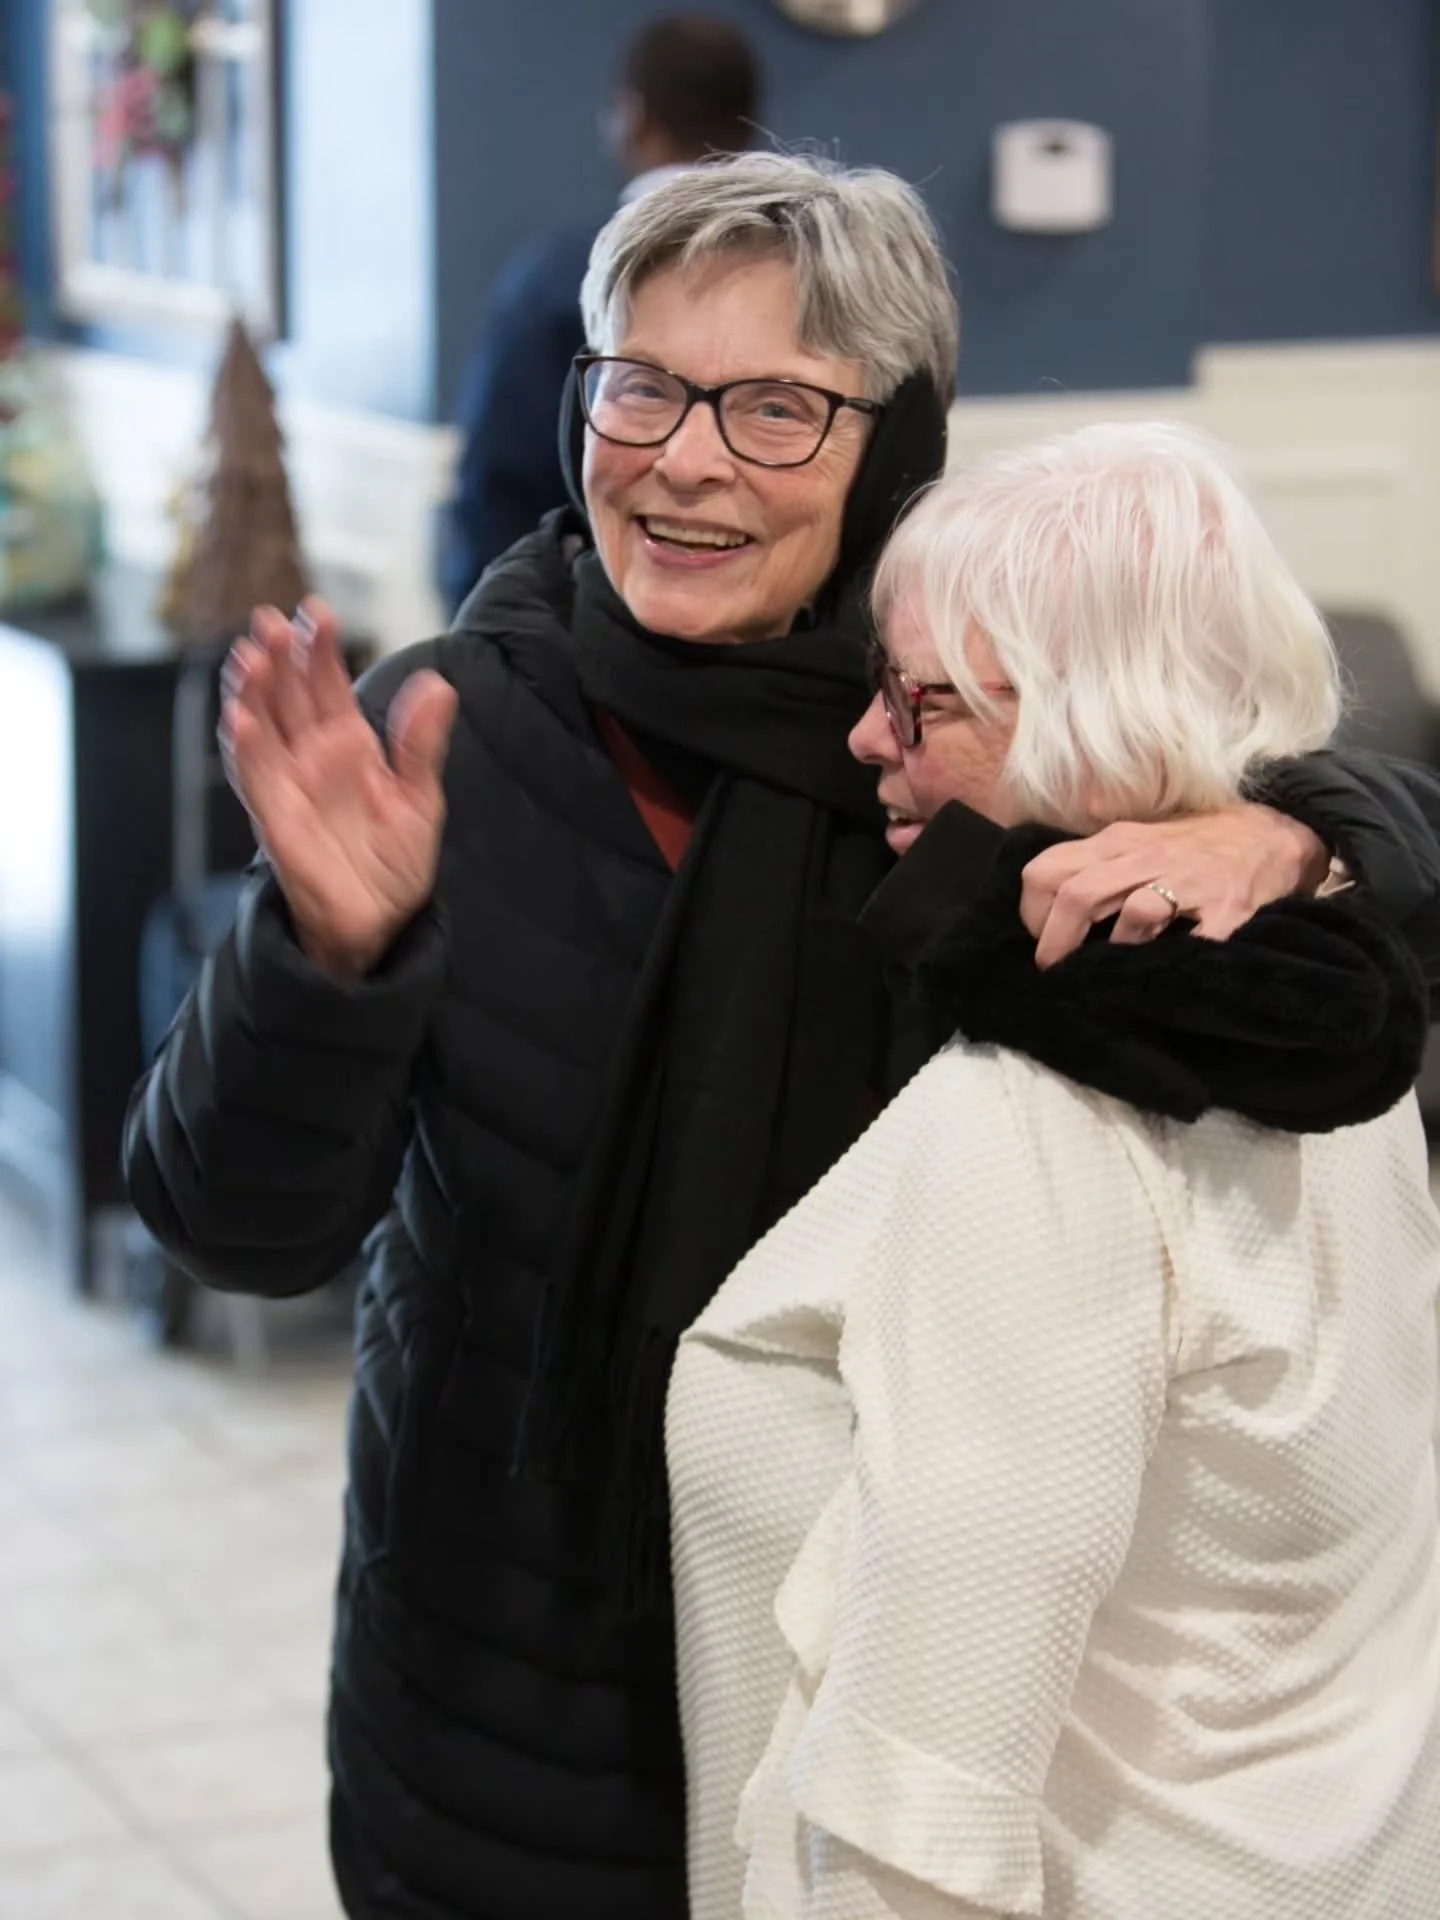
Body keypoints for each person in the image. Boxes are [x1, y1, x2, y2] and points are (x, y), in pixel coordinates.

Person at [123, 150, 1440, 1920]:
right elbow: (230, 1228)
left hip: (862, 1736)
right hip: (499, 1721)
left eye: (774, 410)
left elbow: (1334, 985)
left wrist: (1301, 832)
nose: (683, 459)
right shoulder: (448, 731)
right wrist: (325, 958)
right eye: (643, 386)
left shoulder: (977, 756)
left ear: (894, 448)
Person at [666, 422, 1440, 1920]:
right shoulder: (1341, 1034)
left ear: (1096, 716)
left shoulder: (1040, 1123)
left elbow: (924, 1803)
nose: (867, 738)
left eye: (921, 699)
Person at [440, 13, 762, 610]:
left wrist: (486, 629)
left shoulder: (556, 279)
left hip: (574, 620)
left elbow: (497, 482)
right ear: (747, 123)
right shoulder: (805, 284)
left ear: (633, 117)